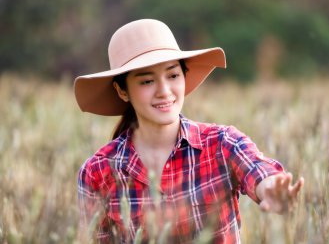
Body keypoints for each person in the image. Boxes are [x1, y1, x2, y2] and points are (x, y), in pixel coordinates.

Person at [74, 19, 304, 244]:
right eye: (146, 81)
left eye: (173, 75)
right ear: (122, 91)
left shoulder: (222, 144)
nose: (164, 91)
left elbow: (258, 170)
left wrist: (273, 191)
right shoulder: (98, 172)